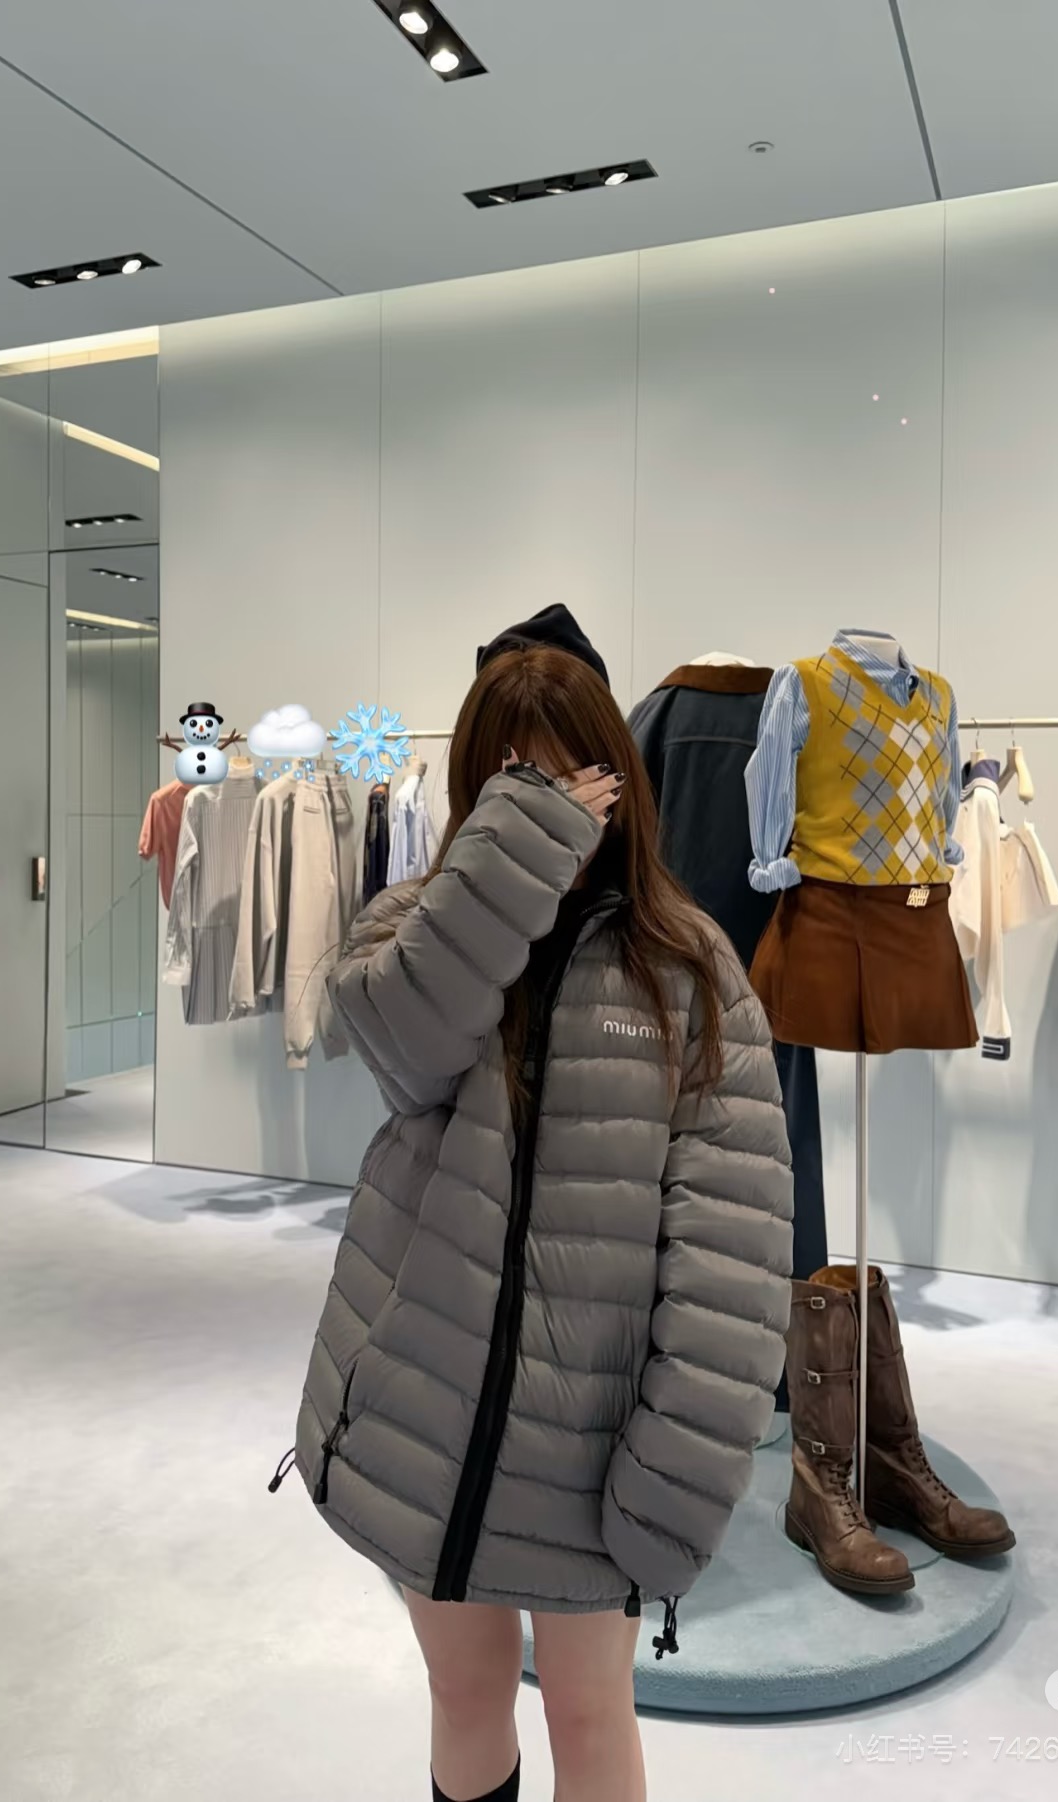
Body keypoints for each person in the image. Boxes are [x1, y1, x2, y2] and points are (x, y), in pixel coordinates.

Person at [275, 610, 794, 1802]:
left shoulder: (687, 967)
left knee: (588, 1713)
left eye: (566, 774)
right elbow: (403, 1047)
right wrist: (510, 856)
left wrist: (678, 1464)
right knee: (463, 1694)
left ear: (619, 775)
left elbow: (732, 1250)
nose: (549, 801)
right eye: (513, 779)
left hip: (590, 1451)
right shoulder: (416, 930)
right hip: (427, 1421)